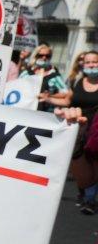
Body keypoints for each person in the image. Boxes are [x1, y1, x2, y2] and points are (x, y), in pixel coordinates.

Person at [70, 51, 98, 214]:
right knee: (80, 162)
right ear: (83, 64)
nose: (92, 65)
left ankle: (90, 200)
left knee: (94, 163)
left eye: (95, 62)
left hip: (96, 132)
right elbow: (69, 101)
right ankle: (85, 193)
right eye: (88, 62)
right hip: (80, 131)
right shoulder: (78, 81)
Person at [33, 43, 72, 111]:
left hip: (44, 112)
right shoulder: (27, 72)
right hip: (27, 109)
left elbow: (65, 93)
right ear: (36, 56)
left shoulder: (54, 76)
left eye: (47, 56)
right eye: (41, 55)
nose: (44, 58)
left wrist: (49, 96)